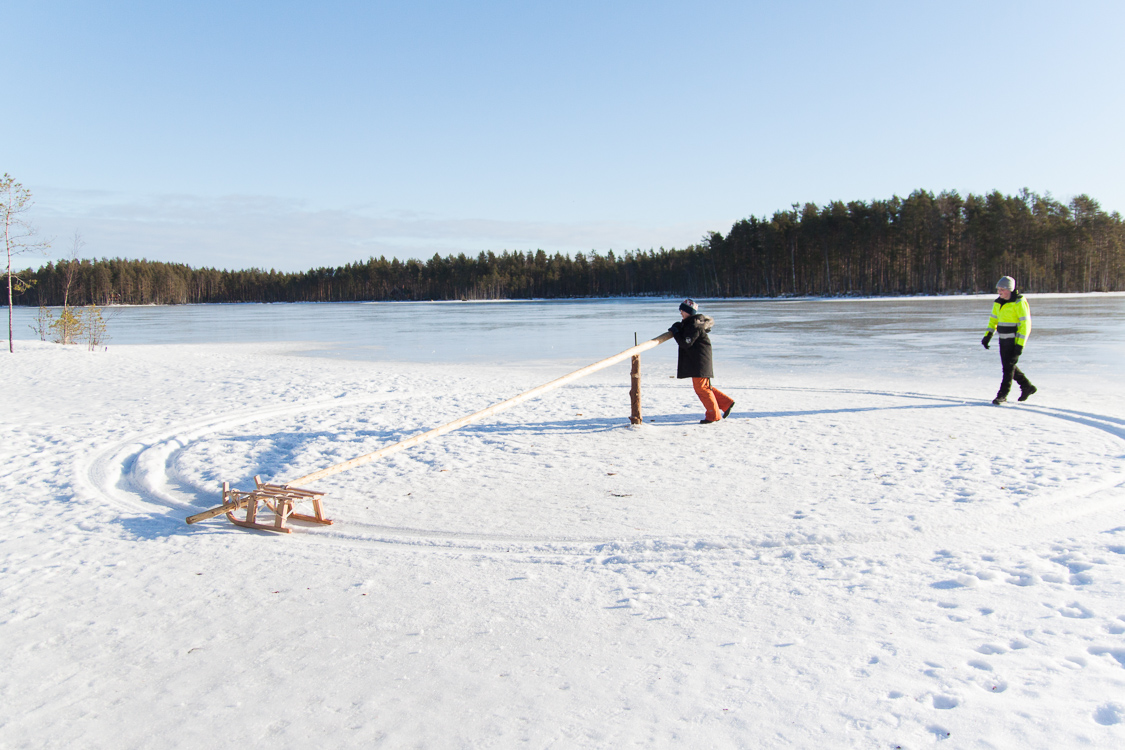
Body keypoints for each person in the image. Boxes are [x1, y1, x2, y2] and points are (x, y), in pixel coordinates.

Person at [669, 298, 735, 423]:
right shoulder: (692, 323)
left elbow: (686, 342)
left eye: (682, 310)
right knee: (704, 386)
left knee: (701, 388)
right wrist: (679, 328)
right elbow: (687, 336)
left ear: (689, 312)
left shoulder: (694, 325)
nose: (680, 312)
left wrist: (676, 332)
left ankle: (713, 415)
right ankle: (725, 403)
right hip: (699, 360)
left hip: (699, 361)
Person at [981, 276, 1037, 405]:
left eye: (1002, 289)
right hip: (1003, 340)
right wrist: (987, 336)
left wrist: (1019, 346)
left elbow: (1025, 325)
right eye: (998, 289)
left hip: (1014, 340)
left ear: (1010, 289)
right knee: (1008, 366)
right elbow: (993, 320)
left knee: (1008, 368)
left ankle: (1002, 395)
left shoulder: (1019, 302)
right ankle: (1026, 386)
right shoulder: (998, 303)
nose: (999, 292)